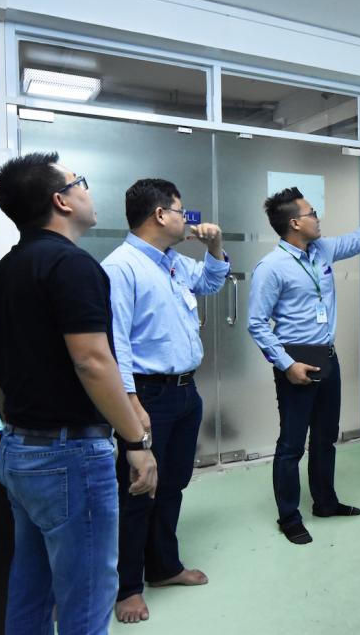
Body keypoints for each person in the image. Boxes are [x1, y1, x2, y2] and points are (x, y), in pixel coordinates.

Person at [0, 152, 158, 635]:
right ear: (61, 201)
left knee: (32, 589)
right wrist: (136, 442)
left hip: (18, 448)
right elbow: (92, 360)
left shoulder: (7, 269)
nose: (87, 189)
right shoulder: (72, 265)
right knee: (85, 598)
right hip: (69, 456)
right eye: (79, 182)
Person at [248, 188, 360, 544]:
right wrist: (286, 365)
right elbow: (256, 323)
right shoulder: (271, 268)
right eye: (312, 213)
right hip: (295, 360)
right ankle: (289, 516)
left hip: (327, 356)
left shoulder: (322, 250)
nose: (318, 217)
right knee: (292, 444)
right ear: (295, 222)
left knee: (326, 437)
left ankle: (325, 502)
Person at [101, 178, 229, 623]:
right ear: (160, 215)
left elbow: (212, 283)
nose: (185, 217)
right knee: (138, 490)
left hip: (184, 392)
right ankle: (127, 588)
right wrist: (131, 404)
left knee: (172, 485)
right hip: (147, 395)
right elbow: (115, 344)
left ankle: (164, 567)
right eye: (180, 209)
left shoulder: (173, 262)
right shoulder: (122, 267)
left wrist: (215, 247)